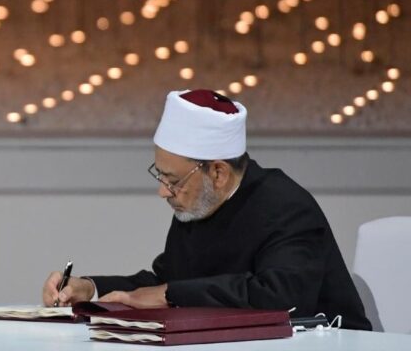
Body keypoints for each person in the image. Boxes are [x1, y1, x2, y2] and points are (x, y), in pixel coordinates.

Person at [42, 89, 371, 330]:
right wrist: (90, 289)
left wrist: (170, 295)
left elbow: (280, 297)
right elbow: (169, 280)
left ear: (218, 172)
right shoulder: (200, 200)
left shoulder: (286, 207)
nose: (162, 191)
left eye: (172, 180)